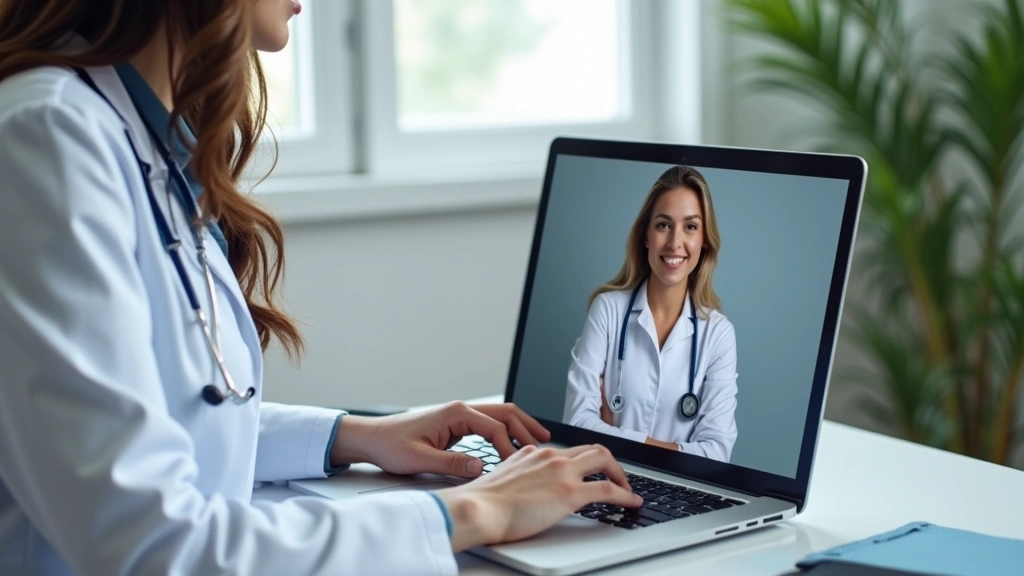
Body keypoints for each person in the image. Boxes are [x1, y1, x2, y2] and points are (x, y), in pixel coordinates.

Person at [0, 1, 644, 574]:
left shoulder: (136, 133)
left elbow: (164, 417)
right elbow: (149, 543)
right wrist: (476, 510)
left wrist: (354, 435)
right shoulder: (47, 135)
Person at [562, 165, 739, 462]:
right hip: (603, 479)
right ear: (646, 235)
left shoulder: (718, 334)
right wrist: (676, 451)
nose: (674, 243)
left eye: (691, 227)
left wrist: (609, 432)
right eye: (663, 225)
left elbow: (717, 453)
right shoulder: (607, 311)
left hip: (678, 494)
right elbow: (577, 424)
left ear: (704, 240)